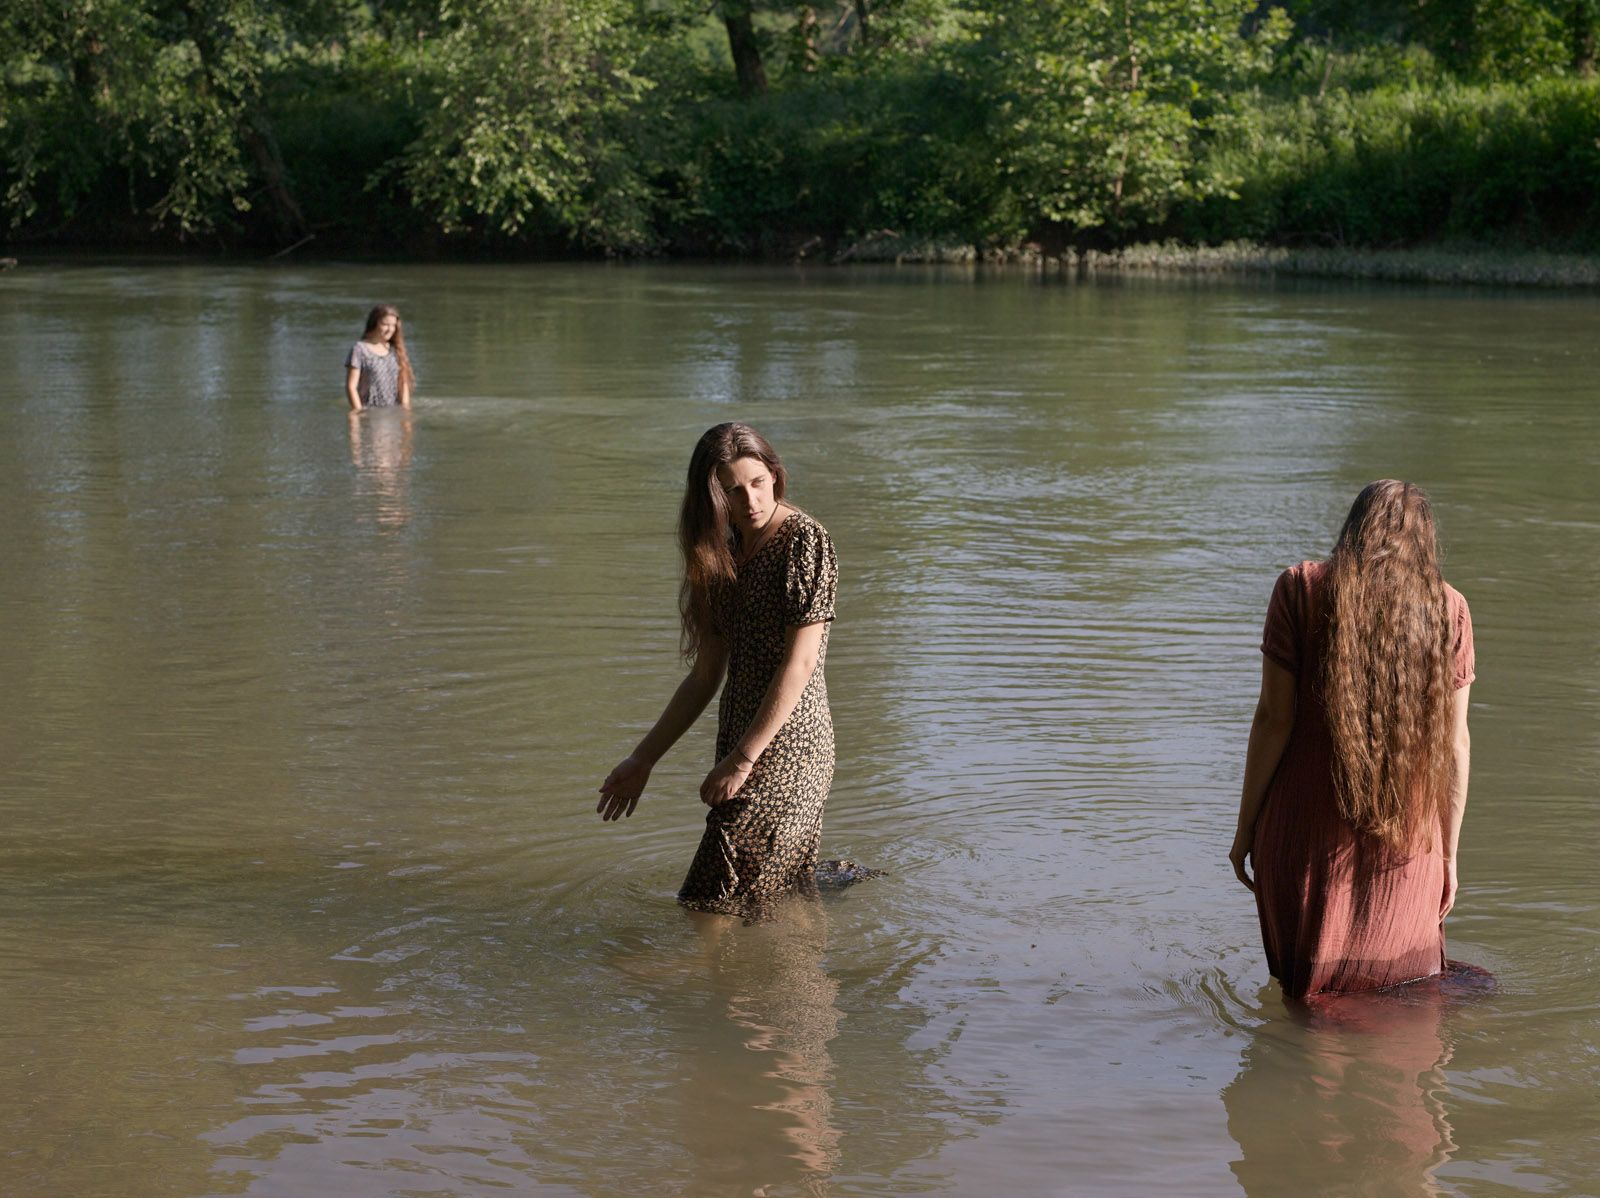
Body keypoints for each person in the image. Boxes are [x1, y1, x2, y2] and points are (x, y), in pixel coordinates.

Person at [1229, 480, 1475, 1000]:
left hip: (1304, 834)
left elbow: (1274, 718)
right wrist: (1449, 857)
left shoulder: (1300, 588)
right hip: (1410, 840)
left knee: (1303, 1005)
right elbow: (1455, 746)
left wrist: (1244, 830)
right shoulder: (1449, 609)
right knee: (1402, 1006)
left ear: (1353, 529)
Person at [598, 422, 839, 919]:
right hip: (738, 736)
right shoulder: (720, 553)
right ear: (711, 497)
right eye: (731, 490)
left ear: (775, 475)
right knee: (757, 892)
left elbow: (801, 663)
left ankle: (706, 977)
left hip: (792, 743)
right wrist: (643, 760)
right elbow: (705, 676)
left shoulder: (804, 542)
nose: (749, 499)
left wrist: (742, 760)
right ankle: (762, 982)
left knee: (711, 890)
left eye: (757, 482)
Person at [344, 304, 414, 410]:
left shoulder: (396, 350)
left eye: (393, 325)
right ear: (374, 323)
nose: (390, 329)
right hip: (369, 412)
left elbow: (403, 383)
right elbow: (351, 387)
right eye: (385, 324)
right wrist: (358, 415)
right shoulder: (359, 349)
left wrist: (405, 413)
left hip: (394, 413)